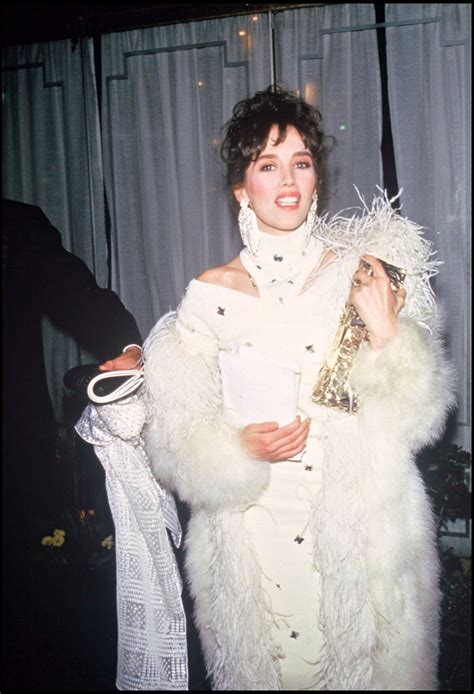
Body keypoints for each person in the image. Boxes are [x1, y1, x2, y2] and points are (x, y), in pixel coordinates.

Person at [81, 85, 454, 690]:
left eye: (302, 162)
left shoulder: (367, 270)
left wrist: (388, 333)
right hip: (254, 539)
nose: (288, 180)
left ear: (317, 178)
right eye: (268, 164)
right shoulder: (207, 297)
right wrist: (239, 450)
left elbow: (419, 423)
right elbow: (177, 445)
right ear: (241, 187)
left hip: (362, 540)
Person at [2, 198, 142, 688]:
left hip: (11, 467)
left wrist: (126, 347)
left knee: (25, 626)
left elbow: (81, 297)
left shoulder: (13, 224)